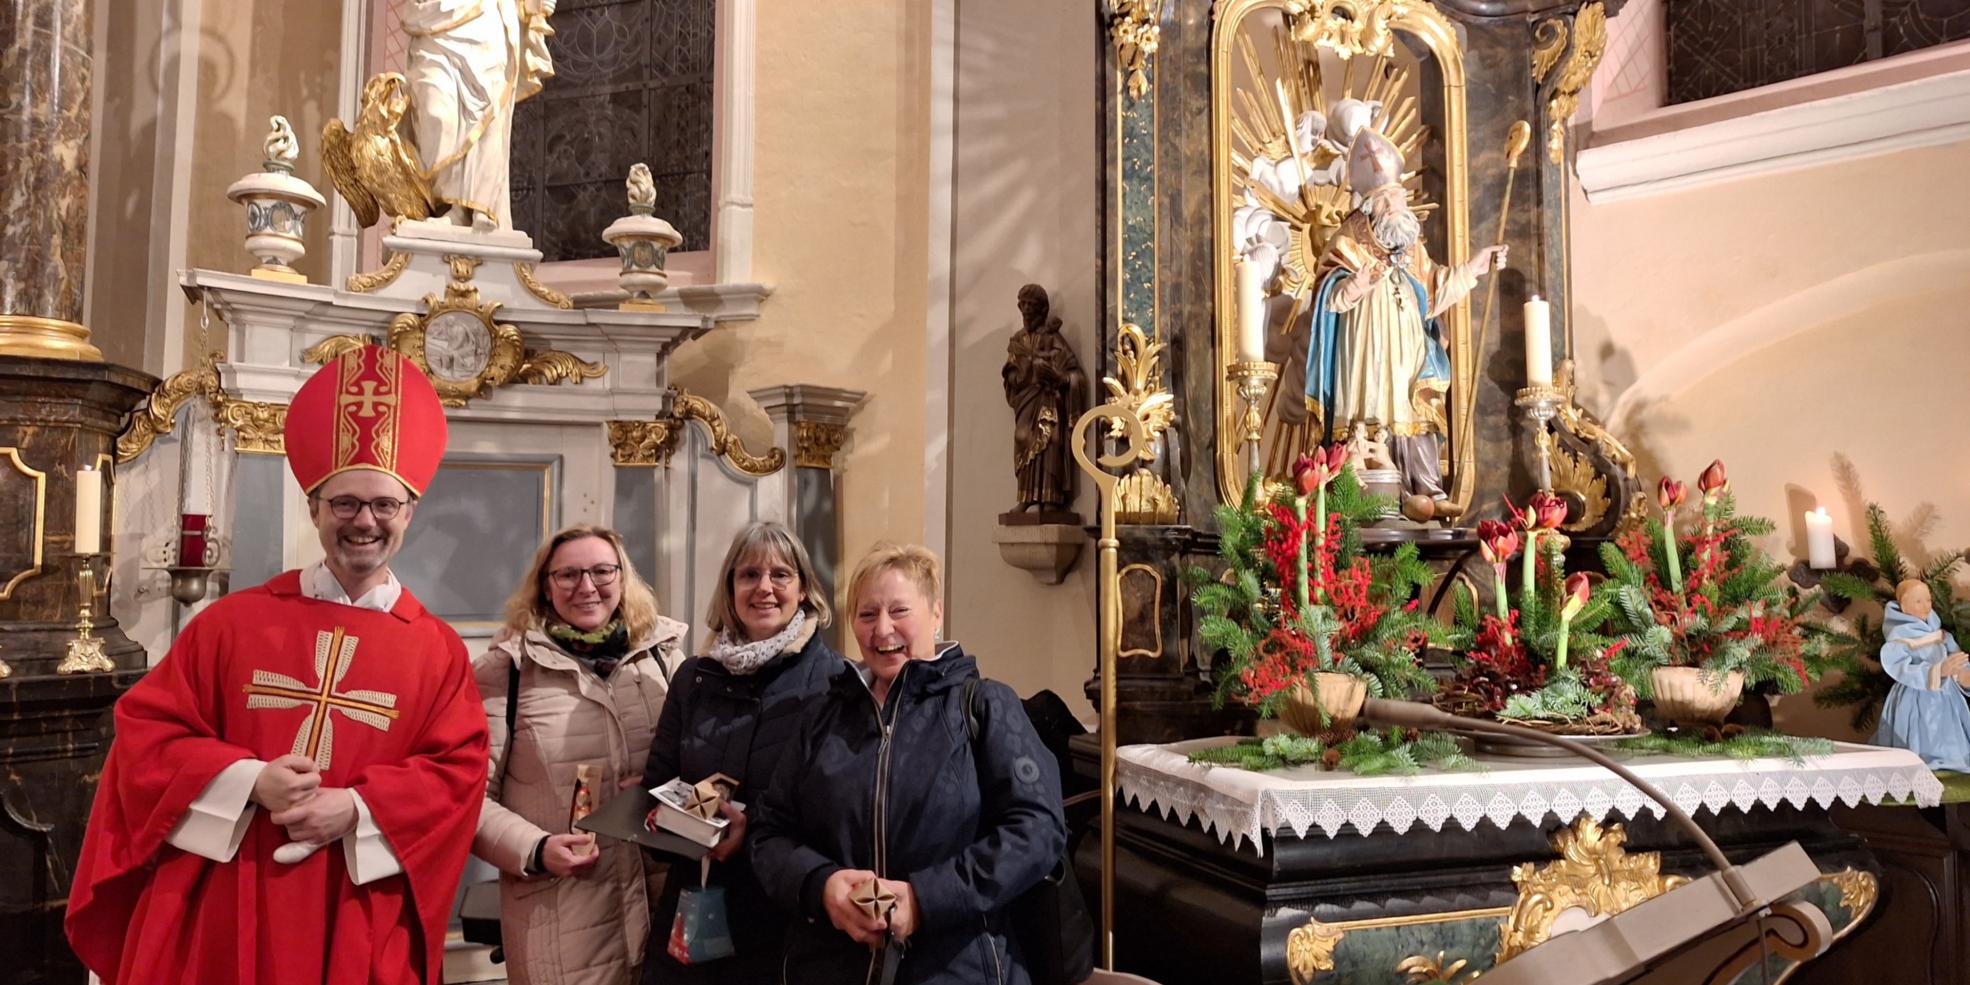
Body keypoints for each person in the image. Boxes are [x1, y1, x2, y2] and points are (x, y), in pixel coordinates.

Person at [66, 345, 488, 984]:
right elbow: (146, 739)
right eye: (344, 503)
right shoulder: (232, 624)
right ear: (314, 508)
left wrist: (355, 810)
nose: (364, 522)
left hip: (355, 906)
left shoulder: (437, 650)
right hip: (229, 894)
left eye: (383, 504)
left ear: (409, 512)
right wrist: (246, 781)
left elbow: (456, 774)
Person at [751, 543, 1067, 985]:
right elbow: (770, 833)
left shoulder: (984, 705)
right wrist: (822, 886)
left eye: (899, 610)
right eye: (866, 615)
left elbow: (1038, 830)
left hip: (958, 967)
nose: (883, 630)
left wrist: (924, 899)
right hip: (829, 965)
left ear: (936, 613)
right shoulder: (823, 716)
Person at [473, 525, 689, 984]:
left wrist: (671, 796)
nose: (586, 587)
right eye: (568, 574)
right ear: (546, 586)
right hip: (563, 921)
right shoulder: (507, 671)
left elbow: (699, 776)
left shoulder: (664, 661)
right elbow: (467, 799)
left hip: (661, 909)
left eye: (601, 571)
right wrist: (535, 848)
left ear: (622, 578)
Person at [639, 521, 844, 983]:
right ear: (730, 588)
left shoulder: (836, 683)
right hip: (699, 899)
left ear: (805, 589)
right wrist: (674, 818)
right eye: (749, 575)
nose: (764, 588)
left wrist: (751, 838)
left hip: (788, 913)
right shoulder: (693, 678)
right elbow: (660, 780)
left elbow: (838, 812)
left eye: (781, 575)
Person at [1305, 127, 1506, 510]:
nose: (1397, 205)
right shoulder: (1346, 241)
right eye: (1388, 200)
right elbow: (1325, 298)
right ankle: (1362, 498)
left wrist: (1474, 268)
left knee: (1414, 409)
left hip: (1407, 354)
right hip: (1363, 357)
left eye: (1399, 197)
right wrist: (1351, 288)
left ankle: (1427, 491)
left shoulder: (1410, 245)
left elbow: (1434, 290)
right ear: (1371, 206)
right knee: (1370, 415)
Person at [402, 0, 557, 232]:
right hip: (432, 16)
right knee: (436, 113)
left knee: (489, 110)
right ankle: (444, 203)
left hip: (486, 18)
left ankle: (476, 207)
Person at [1002, 284, 1087, 514]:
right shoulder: (1018, 340)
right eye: (1024, 304)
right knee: (1022, 437)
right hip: (1026, 401)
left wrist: (1060, 378)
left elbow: (1075, 374)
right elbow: (1009, 374)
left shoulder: (1053, 338)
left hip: (1049, 401)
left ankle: (1051, 497)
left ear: (1042, 310)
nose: (1027, 310)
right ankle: (1027, 498)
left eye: (1032, 305)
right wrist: (1020, 373)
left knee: (1050, 443)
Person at [1873, 579, 1970, 771]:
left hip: (1946, 695)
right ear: (1903, 605)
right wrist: (1938, 671)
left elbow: (1956, 659)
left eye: (1928, 600)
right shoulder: (1899, 640)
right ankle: (1921, 757)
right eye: (1919, 601)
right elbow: (1902, 670)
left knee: (1948, 729)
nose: (1926, 606)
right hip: (1915, 695)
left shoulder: (1940, 635)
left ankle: (1950, 756)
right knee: (1920, 730)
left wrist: (1962, 674)